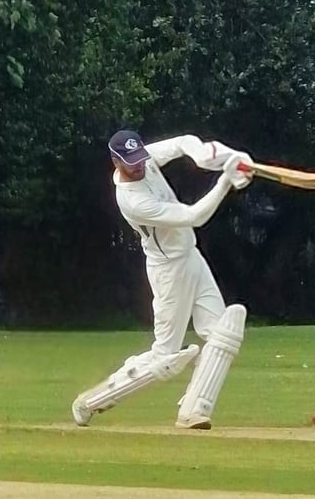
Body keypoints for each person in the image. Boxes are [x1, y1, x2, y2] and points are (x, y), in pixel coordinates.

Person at [71, 130, 255, 429]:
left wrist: (217, 157)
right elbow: (193, 216)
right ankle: (90, 402)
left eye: (139, 158)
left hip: (191, 256)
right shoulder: (132, 200)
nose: (139, 165)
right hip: (168, 270)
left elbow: (184, 142)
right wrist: (225, 181)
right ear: (116, 162)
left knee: (222, 335)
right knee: (165, 357)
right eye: (130, 162)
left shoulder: (144, 158)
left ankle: (193, 410)